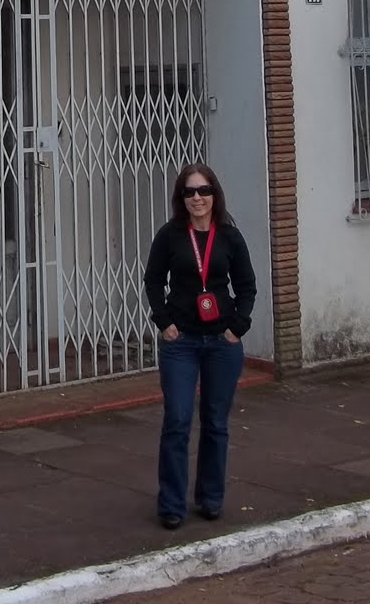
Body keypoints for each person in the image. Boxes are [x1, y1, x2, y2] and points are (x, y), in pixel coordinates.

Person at [142, 161, 258, 530]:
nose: (197, 198)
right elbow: (153, 280)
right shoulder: (171, 234)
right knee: (177, 420)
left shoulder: (229, 236)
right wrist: (164, 323)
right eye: (189, 192)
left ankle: (210, 498)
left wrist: (237, 328)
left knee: (215, 423)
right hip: (182, 343)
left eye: (203, 190)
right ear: (181, 197)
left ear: (214, 194)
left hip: (222, 343)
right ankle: (171, 505)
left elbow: (247, 285)